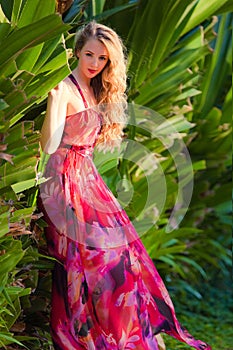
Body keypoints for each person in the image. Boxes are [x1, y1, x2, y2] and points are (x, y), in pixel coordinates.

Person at [38, 21, 211, 350]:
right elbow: (49, 147)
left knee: (125, 258)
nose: (94, 63)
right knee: (85, 265)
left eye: (102, 58)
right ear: (77, 52)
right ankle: (86, 340)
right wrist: (53, 103)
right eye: (89, 54)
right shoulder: (65, 87)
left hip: (89, 181)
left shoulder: (94, 89)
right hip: (64, 185)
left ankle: (135, 336)